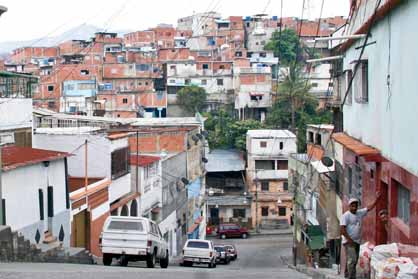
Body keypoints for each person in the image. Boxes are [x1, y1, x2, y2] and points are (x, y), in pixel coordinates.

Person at [340, 193, 381, 279]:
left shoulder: (359, 213)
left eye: (355, 206)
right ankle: (351, 277)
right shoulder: (346, 216)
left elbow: (369, 208)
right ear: (349, 206)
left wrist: (376, 200)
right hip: (349, 242)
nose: (354, 208)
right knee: (353, 259)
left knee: (353, 260)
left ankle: (347, 274)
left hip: (357, 241)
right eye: (352, 206)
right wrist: (349, 240)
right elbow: (342, 230)